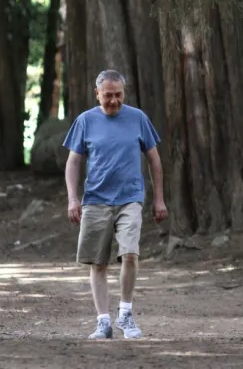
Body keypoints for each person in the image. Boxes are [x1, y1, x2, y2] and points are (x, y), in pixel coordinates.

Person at [62, 69, 168, 340]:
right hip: (96, 200)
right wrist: (73, 198)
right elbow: (73, 162)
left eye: (118, 95)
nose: (113, 101)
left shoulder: (138, 118)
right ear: (97, 94)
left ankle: (126, 313)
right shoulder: (85, 121)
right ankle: (103, 321)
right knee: (98, 263)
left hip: (130, 198)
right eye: (107, 96)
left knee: (130, 254)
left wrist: (158, 199)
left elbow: (154, 160)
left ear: (124, 93)